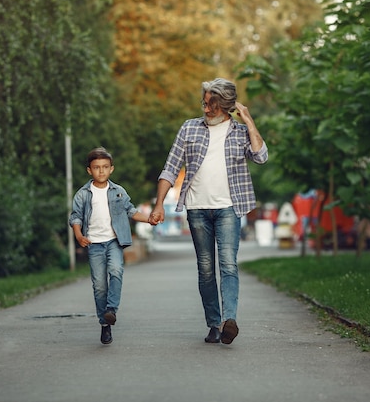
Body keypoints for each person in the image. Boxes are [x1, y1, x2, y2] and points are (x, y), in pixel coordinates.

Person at [149, 78, 268, 345]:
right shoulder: (189, 128)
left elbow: (261, 156)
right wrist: (159, 205)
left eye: (212, 105)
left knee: (228, 264)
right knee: (205, 269)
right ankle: (214, 324)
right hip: (196, 209)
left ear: (226, 105)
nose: (206, 109)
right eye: (203, 103)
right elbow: (170, 168)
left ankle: (229, 321)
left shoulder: (240, 132)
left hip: (229, 207)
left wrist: (248, 120)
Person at [70, 147, 155, 344]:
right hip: (94, 244)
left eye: (105, 167)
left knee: (116, 270)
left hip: (114, 241)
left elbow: (131, 211)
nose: (101, 171)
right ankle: (104, 324)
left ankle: (111, 310)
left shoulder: (118, 191)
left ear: (111, 169)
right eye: (97, 167)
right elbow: (75, 217)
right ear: (89, 170)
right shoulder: (83, 194)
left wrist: (148, 219)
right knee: (99, 285)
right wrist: (79, 235)